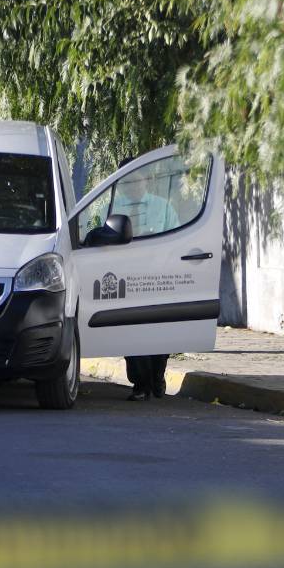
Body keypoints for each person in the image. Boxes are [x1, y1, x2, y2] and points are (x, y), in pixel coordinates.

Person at [113, 159, 180, 401]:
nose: (130, 186)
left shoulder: (163, 208)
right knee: (131, 335)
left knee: (159, 333)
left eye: (135, 180)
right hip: (126, 281)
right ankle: (141, 384)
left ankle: (157, 377)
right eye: (125, 182)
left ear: (147, 180)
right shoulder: (110, 209)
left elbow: (177, 238)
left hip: (157, 281)